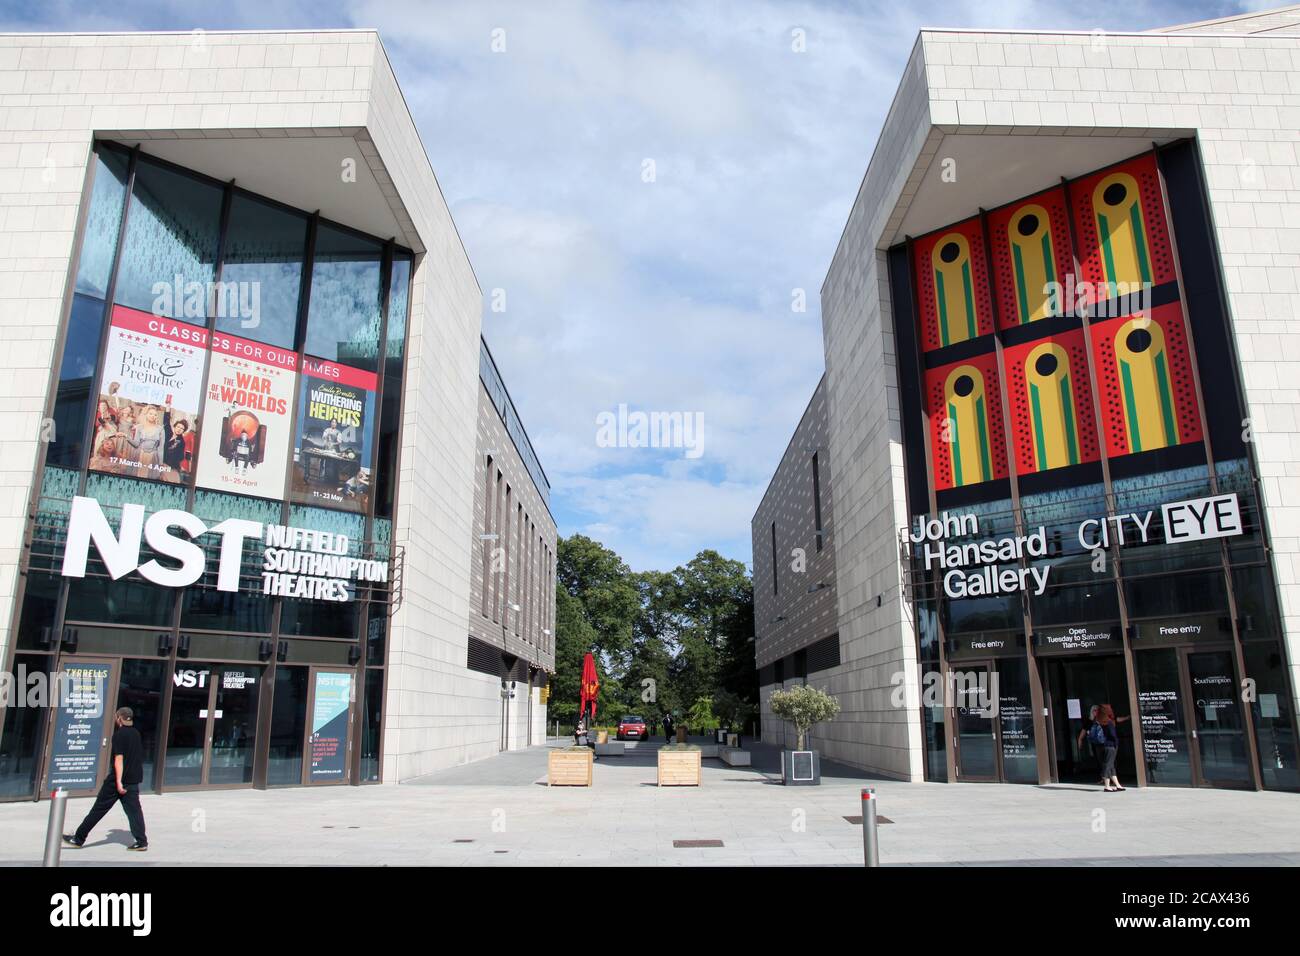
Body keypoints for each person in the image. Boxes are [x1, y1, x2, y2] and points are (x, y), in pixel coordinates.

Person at [63, 707, 148, 851]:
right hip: (133, 780)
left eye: (116, 717)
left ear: (119, 718)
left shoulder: (119, 735)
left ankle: (78, 839)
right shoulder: (136, 733)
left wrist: (119, 781)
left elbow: (119, 759)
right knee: (135, 812)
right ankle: (141, 842)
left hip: (117, 781)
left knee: (98, 809)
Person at [1091, 703, 1130, 792]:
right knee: (1108, 764)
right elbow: (1112, 734)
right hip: (1110, 746)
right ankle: (1107, 786)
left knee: (1110, 765)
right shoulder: (1109, 722)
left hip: (1099, 746)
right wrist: (1116, 743)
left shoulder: (1097, 720)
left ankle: (1117, 785)